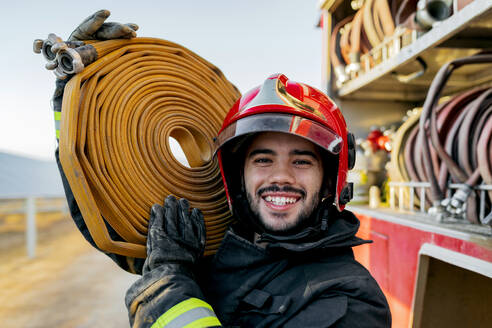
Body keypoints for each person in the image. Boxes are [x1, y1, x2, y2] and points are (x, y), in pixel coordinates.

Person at [52, 11, 391, 328]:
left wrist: (169, 293)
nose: (281, 177)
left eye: (302, 161)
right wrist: (77, 98)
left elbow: (166, 281)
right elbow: (114, 222)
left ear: (331, 180)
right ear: (236, 175)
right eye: (263, 159)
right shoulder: (219, 247)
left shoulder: (351, 300)